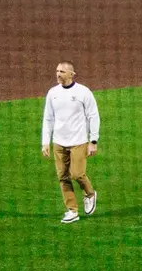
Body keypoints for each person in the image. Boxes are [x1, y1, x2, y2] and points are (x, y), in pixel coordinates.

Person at [41, 61, 101, 224]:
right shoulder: (52, 93)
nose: (58, 74)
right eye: (57, 71)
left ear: (72, 74)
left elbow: (93, 116)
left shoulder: (83, 92)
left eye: (62, 71)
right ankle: (72, 210)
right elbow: (48, 118)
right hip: (59, 143)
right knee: (63, 177)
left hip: (78, 142)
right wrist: (45, 141)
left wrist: (93, 140)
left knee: (77, 174)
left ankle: (89, 193)